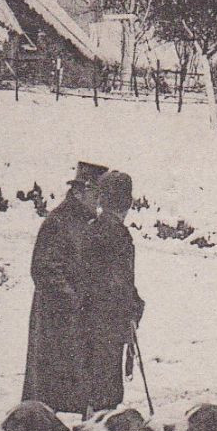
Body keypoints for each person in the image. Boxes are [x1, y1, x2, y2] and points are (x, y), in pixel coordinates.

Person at [22, 161, 114, 414]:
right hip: (57, 321)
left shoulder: (90, 223)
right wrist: (73, 301)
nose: (98, 202)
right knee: (52, 390)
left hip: (80, 320)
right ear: (79, 191)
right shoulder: (58, 222)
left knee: (79, 388)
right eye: (95, 195)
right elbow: (43, 269)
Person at [88, 169, 146, 411]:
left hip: (90, 319)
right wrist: (133, 307)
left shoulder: (91, 227)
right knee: (107, 391)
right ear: (127, 202)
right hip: (109, 322)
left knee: (95, 388)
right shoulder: (117, 233)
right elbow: (118, 282)